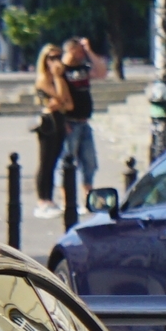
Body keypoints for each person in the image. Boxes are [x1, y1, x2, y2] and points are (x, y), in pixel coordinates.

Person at [50, 36, 98, 213]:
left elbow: (101, 72)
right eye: (79, 50)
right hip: (70, 122)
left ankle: (88, 199)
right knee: (67, 162)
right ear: (71, 50)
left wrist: (89, 50)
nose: (82, 54)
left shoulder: (82, 68)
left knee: (89, 162)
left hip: (84, 122)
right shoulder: (60, 70)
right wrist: (62, 121)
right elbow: (58, 97)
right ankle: (66, 200)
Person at [33, 43, 69, 212]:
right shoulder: (43, 79)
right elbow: (59, 98)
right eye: (51, 58)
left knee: (54, 161)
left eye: (58, 57)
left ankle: (50, 197)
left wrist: (59, 78)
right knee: (45, 161)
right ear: (44, 60)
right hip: (48, 123)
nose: (55, 61)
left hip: (60, 121)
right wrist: (57, 78)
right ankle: (43, 198)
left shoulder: (60, 77)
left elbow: (67, 103)